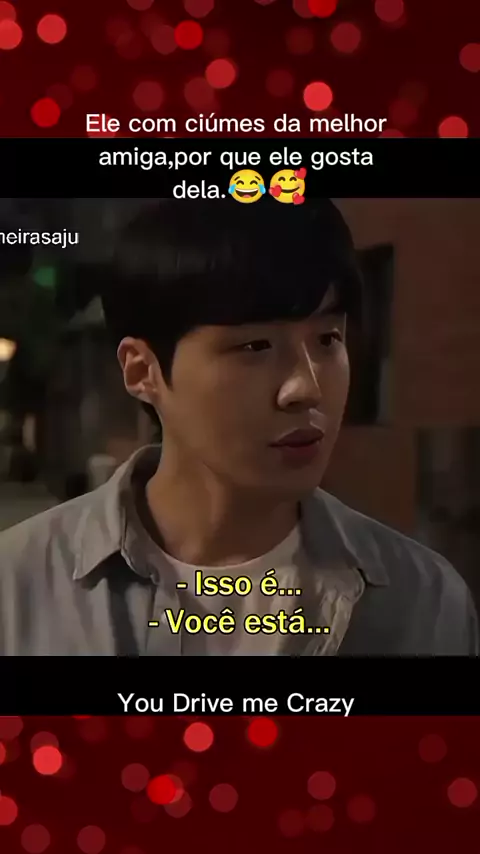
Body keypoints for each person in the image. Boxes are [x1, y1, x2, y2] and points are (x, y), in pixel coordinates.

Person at [0, 200, 477, 655]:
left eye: (328, 339)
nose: (305, 389)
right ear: (143, 370)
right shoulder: (19, 586)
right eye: (255, 347)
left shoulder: (425, 602)